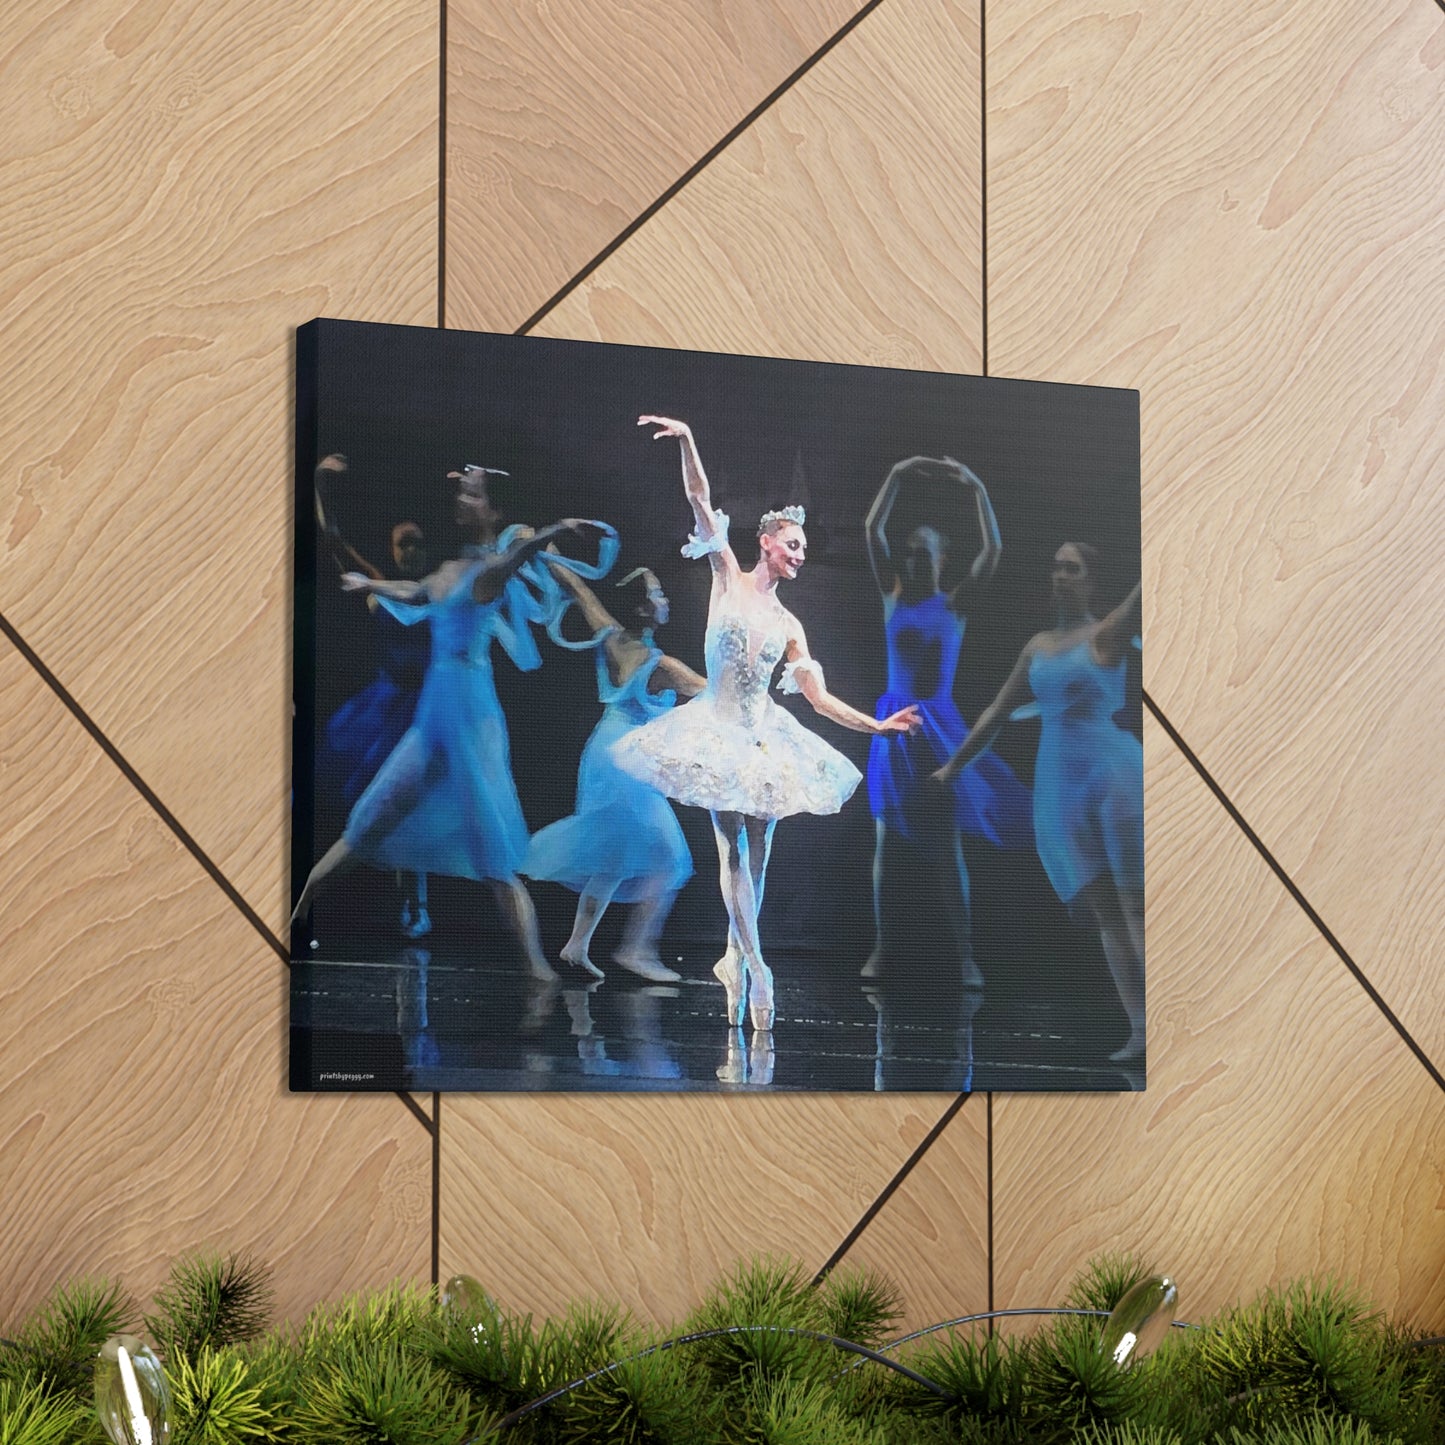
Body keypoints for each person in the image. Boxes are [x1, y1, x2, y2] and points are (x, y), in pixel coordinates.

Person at [612, 416, 921, 1032]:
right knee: (732, 851)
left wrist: (879, 727)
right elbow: (699, 498)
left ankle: (732, 958)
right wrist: (689, 439)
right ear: (766, 544)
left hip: (766, 738)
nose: (801, 555)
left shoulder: (790, 626)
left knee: (757, 864)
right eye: (794, 545)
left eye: (805, 548)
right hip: (717, 730)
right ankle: (758, 966)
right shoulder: (725, 574)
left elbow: (821, 700)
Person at [292, 462, 613, 982]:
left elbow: (518, 555)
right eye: (462, 491)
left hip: (468, 713)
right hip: (433, 715)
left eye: (472, 492)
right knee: (371, 816)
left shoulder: (490, 568)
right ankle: (299, 908)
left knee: (492, 851)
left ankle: (538, 971)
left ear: (493, 510)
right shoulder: (447, 571)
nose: (461, 498)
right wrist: (366, 581)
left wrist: (557, 530)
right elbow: (415, 593)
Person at [933, 544, 1144, 1061]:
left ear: (1093, 582)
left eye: (1073, 567)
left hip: (1110, 776)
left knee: (1135, 905)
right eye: (1056, 565)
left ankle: (1172, 1024)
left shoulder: (1108, 631)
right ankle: (1140, 1030)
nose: (1060, 575)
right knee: (1105, 911)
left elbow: (1145, 593)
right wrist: (953, 767)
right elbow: (997, 711)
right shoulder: (1038, 645)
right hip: (1061, 785)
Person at [863, 456, 1032, 983]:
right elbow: (872, 529)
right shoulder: (892, 598)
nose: (913, 560)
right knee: (887, 846)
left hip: (938, 727)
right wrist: (897, 472)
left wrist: (977, 485)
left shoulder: (955, 605)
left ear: (941, 558)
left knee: (945, 848)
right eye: (909, 553)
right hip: (894, 725)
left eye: (924, 553)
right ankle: (883, 951)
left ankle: (964, 958)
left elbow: (995, 549)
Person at [523, 565, 705, 983]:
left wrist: (547, 552)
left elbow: (578, 588)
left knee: (613, 855)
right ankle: (637, 948)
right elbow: (713, 692)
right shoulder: (664, 666)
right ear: (644, 608)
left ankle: (577, 945)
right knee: (670, 859)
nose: (666, 601)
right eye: (658, 594)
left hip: (603, 750)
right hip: (630, 762)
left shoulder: (609, 636)